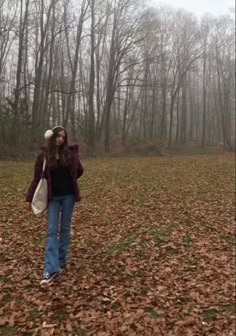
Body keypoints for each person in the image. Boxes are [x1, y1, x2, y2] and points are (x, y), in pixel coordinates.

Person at [26, 126, 84, 284]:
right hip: (53, 198)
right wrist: (30, 198)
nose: (60, 139)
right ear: (52, 137)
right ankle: (50, 269)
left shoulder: (70, 154)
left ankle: (60, 261)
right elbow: (37, 178)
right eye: (58, 136)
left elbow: (79, 170)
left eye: (63, 137)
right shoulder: (43, 156)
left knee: (64, 229)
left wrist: (70, 178)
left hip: (68, 197)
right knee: (52, 231)